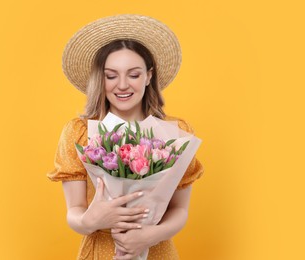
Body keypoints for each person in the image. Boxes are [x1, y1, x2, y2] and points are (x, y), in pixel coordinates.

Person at [47, 14, 204, 259]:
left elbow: (180, 210)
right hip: (101, 251)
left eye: (133, 74)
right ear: (101, 78)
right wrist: (91, 220)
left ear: (149, 76)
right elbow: (74, 212)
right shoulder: (79, 133)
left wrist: (151, 235)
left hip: (157, 251)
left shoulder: (175, 133)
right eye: (111, 75)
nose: (122, 85)